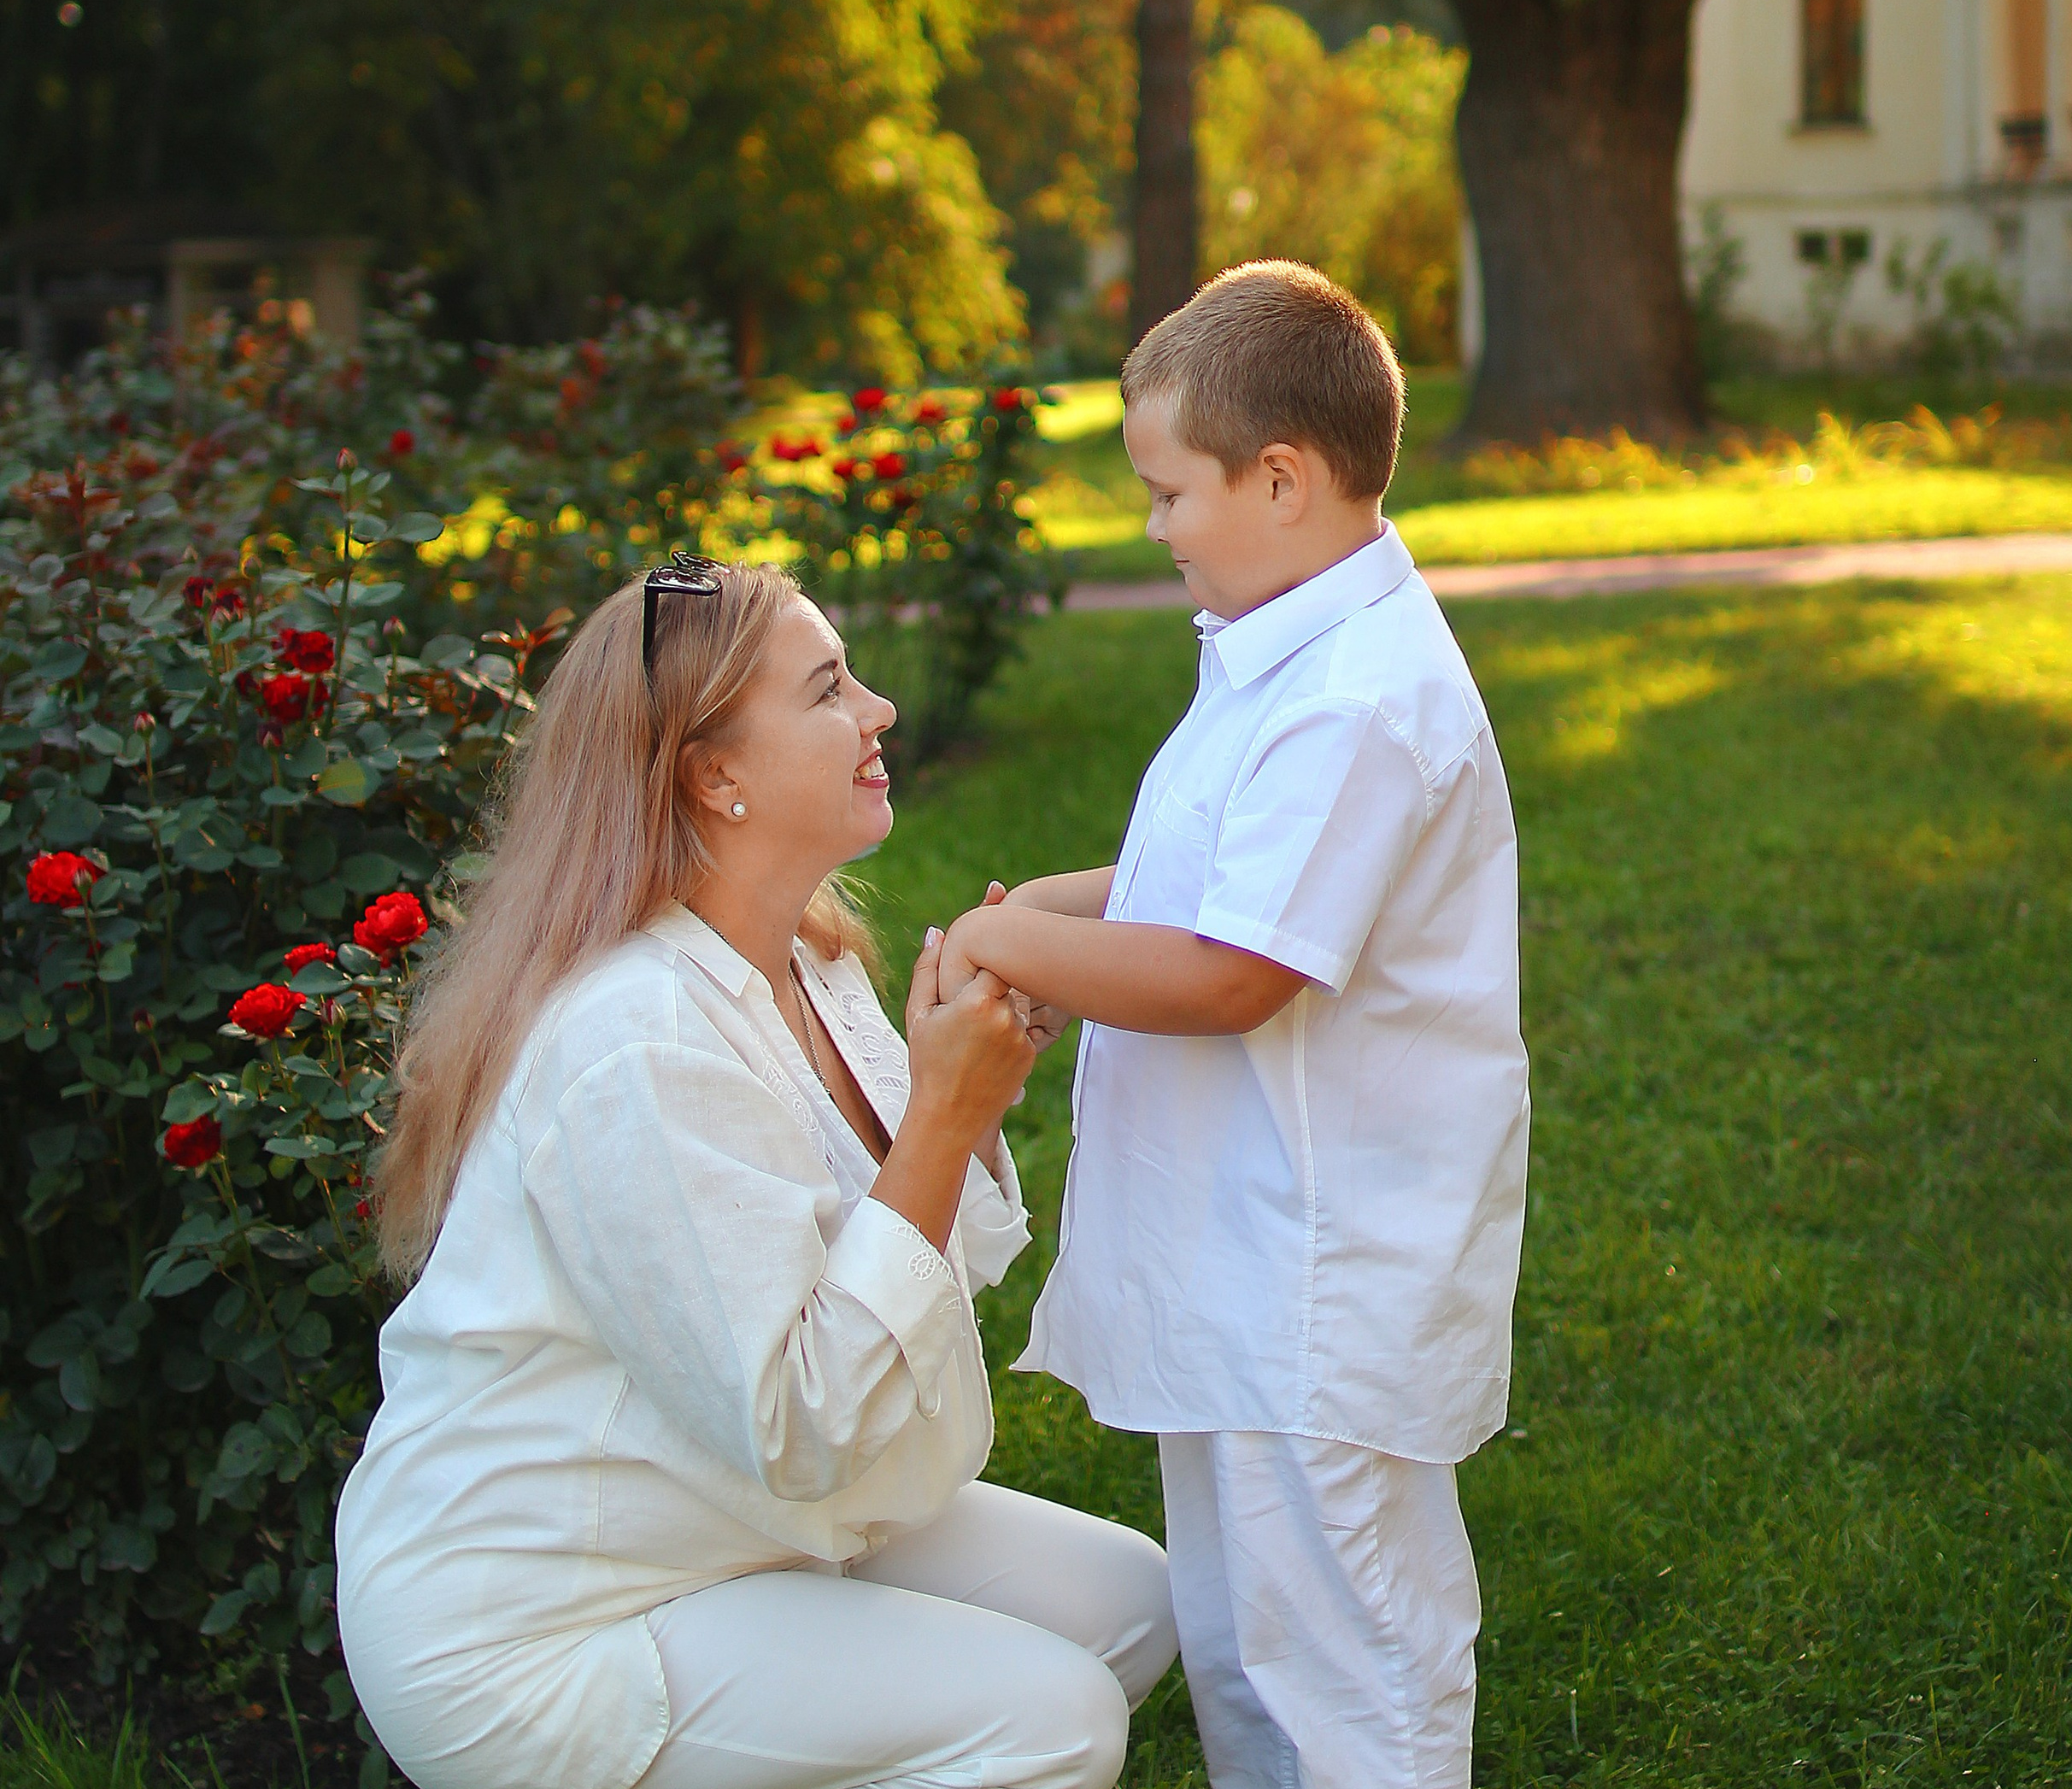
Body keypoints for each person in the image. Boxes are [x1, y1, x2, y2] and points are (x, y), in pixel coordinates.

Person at [336, 558, 1177, 1789]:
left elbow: (949, 1252)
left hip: (735, 1516)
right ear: (714, 775)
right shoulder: (638, 1039)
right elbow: (805, 1427)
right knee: (1047, 1717)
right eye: (831, 689)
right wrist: (943, 1113)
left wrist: (971, 1095)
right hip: (546, 1620)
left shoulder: (811, 960)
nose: (880, 711)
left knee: (1132, 1607)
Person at [936, 262, 1531, 1788]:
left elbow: (1228, 973)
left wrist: (1017, 947)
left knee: (1345, 1651)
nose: (1154, 527)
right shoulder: (1288, 648)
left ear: (1282, 479)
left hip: (1319, 1281)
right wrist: (1064, 917)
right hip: (1247, 1264)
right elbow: (1194, 880)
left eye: (1166, 493)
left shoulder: (1354, 703)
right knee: (1248, 1638)